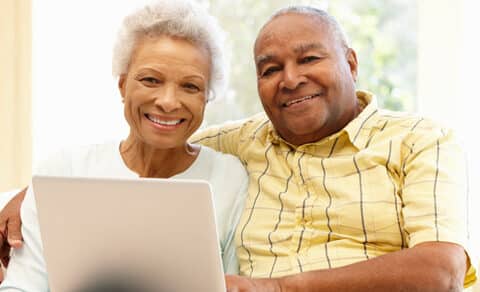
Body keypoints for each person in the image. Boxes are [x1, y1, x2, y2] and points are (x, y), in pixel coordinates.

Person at [1, 4, 478, 292]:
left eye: (310, 58)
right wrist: (35, 193)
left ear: (351, 63)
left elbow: (442, 272)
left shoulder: (420, 139)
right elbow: (155, 143)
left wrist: (274, 289)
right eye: (270, 69)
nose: (291, 79)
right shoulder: (241, 147)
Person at [0, 0, 248, 291]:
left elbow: (237, 284)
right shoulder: (64, 170)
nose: (168, 101)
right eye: (151, 80)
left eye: (190, 86)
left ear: (206, 97)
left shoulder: (231, 178)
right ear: (122, 85)